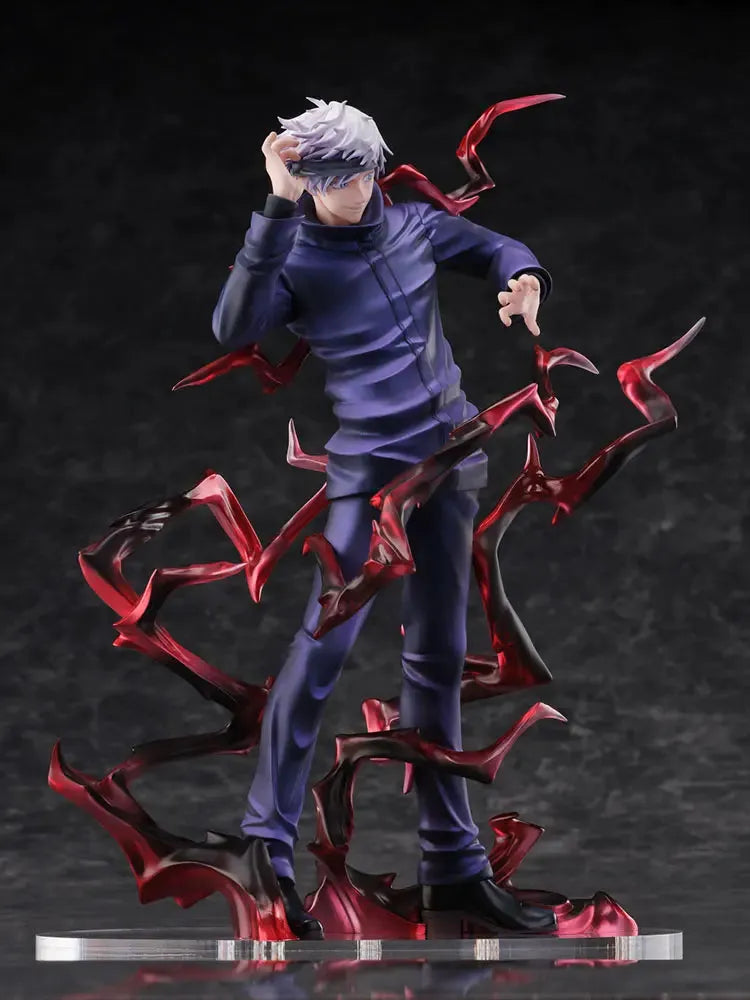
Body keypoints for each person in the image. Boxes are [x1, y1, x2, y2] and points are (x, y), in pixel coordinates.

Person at [212, 98, 556, 939]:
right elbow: (234, 325)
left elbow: (495, 247)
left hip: (451, 466)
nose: (356, 192)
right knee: (318, 656)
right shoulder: (294, 257)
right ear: (311, 180)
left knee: (437, 664)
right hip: (368, 479)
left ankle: (454, 870)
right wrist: (275, 203)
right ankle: (266, 852)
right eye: (335, 179)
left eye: (363, 173)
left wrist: (525, 280)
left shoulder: (413, 227)